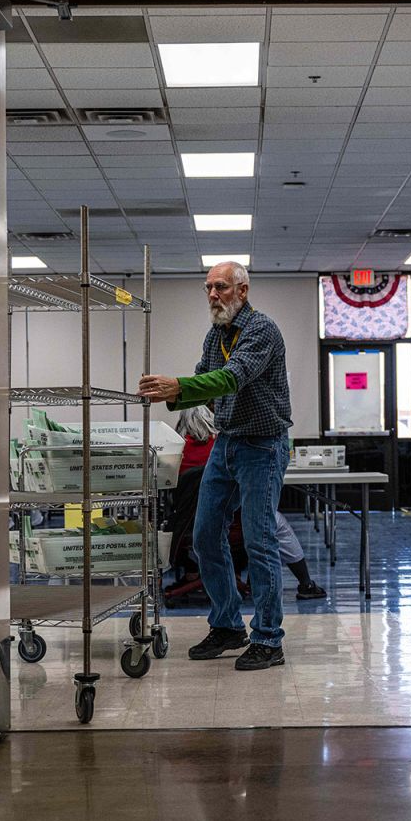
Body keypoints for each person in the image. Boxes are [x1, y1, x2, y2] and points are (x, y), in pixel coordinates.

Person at [139, 261, 292, 671]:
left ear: (242, 291)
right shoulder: (216, 335)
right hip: (227, 444)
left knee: (260, 541)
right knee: (205, 535)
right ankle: (227, 625)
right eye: (208, 288)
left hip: (263, 446)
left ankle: (268, 639)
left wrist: (180, 387)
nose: (212, 295)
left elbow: (232, 377)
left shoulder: (261, 329)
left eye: (220, 287)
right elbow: (206, 378)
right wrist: (170, 395)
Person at [175, 406, 327, 601]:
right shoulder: (225, 447)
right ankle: (305, 583)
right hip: (240, 521)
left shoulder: (177, 450)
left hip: (193, 526)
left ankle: (192, 573)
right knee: (277, 524)